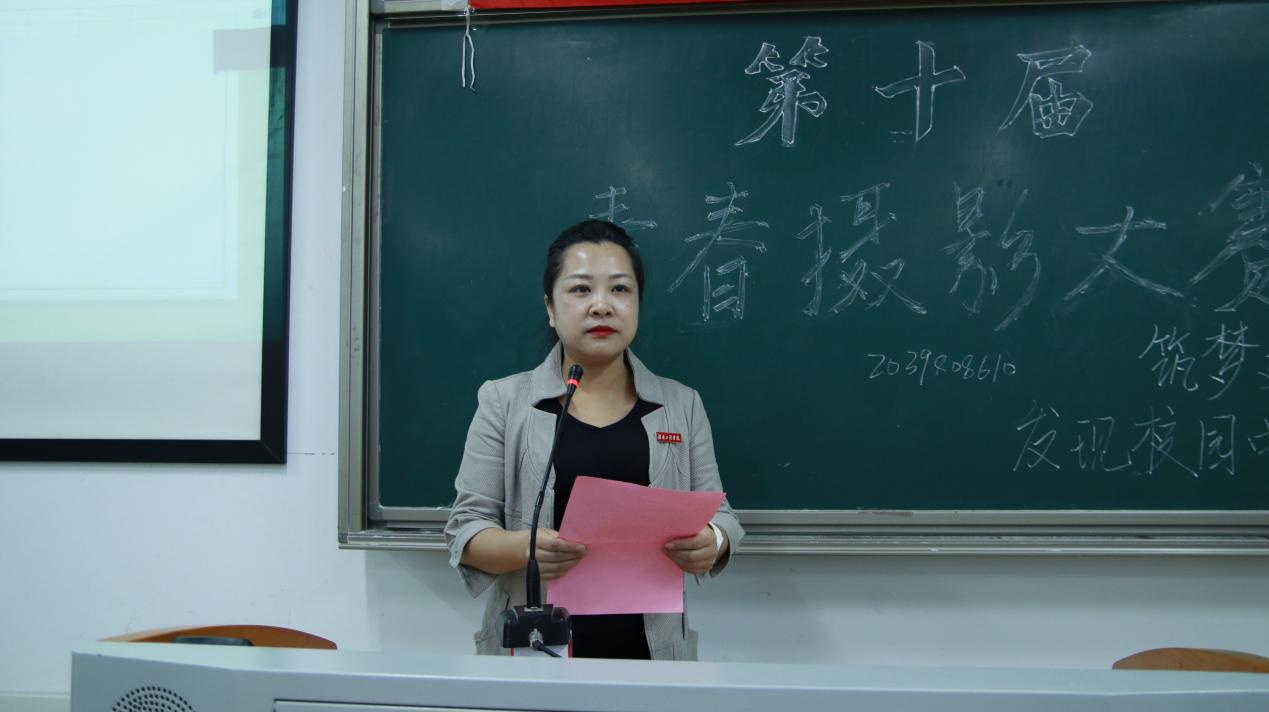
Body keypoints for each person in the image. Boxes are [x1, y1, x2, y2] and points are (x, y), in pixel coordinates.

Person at [444, 219, 743, 660]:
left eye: (620, 289)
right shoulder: (503, 402)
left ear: (638, 303)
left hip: (653, 654)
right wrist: (525, 549)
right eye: (581, 290)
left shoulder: (682, 404)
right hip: (534, 652)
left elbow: (723, 517)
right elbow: (466, 530)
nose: (602, 306)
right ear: (550, 307)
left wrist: (712, 541)